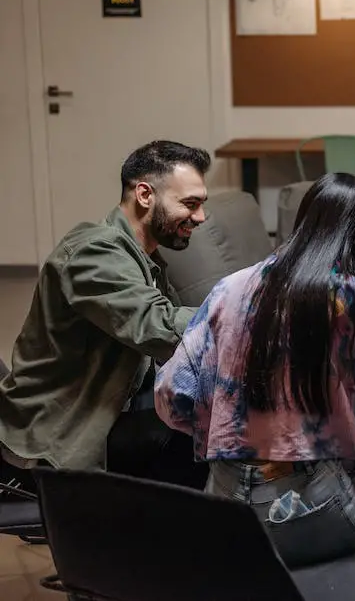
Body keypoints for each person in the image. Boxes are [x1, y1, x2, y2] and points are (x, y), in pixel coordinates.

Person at [154, 173, 355, 568]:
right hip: (305, 503)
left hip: (223, 506)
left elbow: (171, 393)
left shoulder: (231, 287)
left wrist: (230, 435)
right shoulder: (345, 294)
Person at [0, 140, 211, 492]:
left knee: (208, 410)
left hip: (108, 417)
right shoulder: (93, 253)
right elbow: (158, 326)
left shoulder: (142, 258)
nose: (200, 217)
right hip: (56, 443)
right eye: (190, 204)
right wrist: (240, 313)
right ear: (145, 195)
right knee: (203, 431)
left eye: (202, 205)